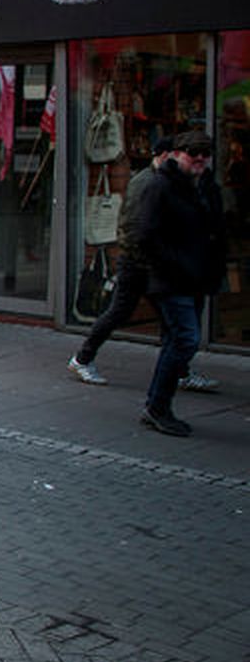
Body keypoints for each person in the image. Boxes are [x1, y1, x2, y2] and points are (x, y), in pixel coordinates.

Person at [67, 135, 217, 393]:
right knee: (120, 312)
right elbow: (136, 229)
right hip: (138, 264)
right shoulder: (148, 182)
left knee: (171, 323)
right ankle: (83, 358)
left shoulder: (172, 183)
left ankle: (180, 371)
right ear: (165, 155)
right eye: (180, 154)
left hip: (154, 265)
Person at [128, 130, 226, 436]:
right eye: (192, 152)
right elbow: (145, 234)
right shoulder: (161, 186)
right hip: (171, 279)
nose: (199, 159)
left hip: (196, 278)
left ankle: (158, 405)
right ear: (177, 154)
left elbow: (214, 228)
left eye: (205, 153)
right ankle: (157, 406)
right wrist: (174, 264)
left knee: (177, 340)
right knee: (186, 338)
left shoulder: (206, 187)